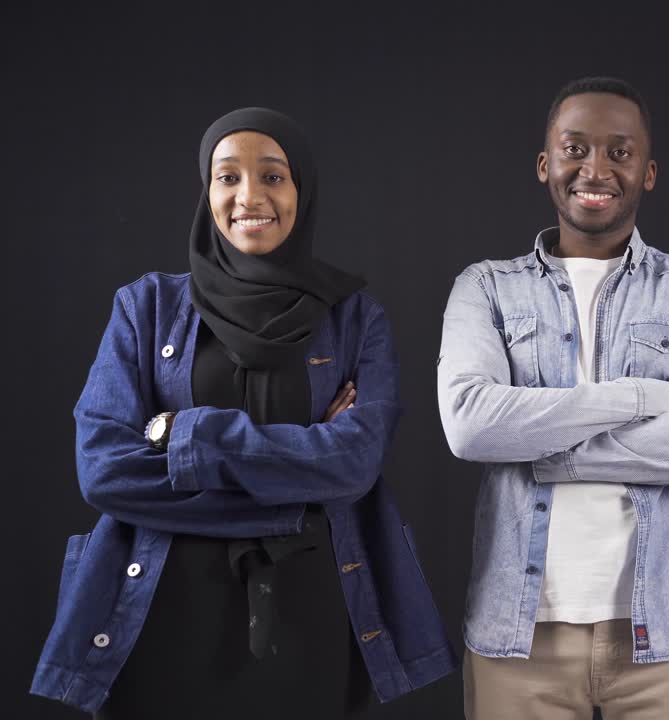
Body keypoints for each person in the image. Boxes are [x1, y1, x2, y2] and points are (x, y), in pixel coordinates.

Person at [31, 107, 455, 719]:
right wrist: (297, 482)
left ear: (301, 191)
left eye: (273, 176)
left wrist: (185, 432)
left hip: (313, 614)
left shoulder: (356, 319)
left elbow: (354, 466)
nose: (249, 195)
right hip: (160, 609)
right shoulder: (145, 307)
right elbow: (104, 471)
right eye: (227, 177)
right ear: (207, 192)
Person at [437, 77, 669, 719]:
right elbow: (471, 426)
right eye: (575, 148)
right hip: (519, 640)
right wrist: (639, 396)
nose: (596, 169)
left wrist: (557, 454)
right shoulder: (486, 288)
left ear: (648, 171)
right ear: (544, 164)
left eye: (619, 152)